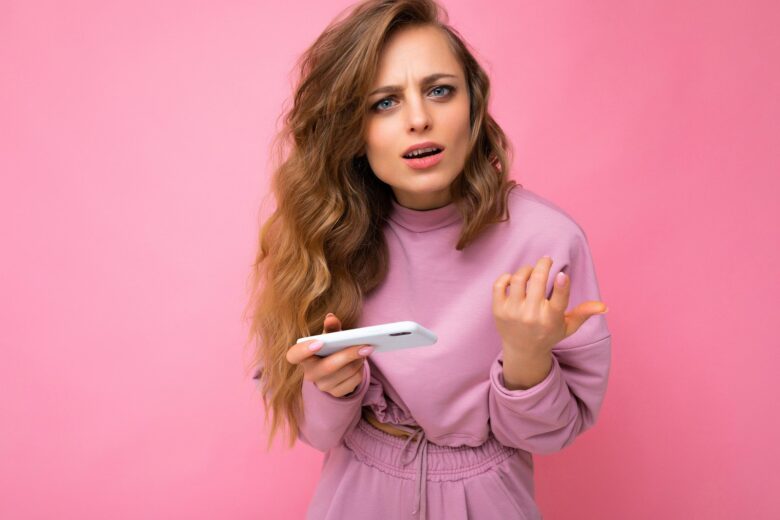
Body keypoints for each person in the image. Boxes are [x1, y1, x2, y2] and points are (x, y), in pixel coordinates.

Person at [243, 1, 611, 518]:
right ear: (351, 128)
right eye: (384, 102)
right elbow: (316, 432)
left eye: (440, 90)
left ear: (473, 105)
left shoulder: (547, 240)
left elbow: (551, 437)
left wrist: (528, 360)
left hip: (488, 496)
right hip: (356, 495)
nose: (419, 119)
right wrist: (335, 386)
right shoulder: (321, 236)